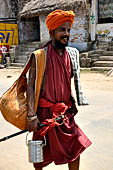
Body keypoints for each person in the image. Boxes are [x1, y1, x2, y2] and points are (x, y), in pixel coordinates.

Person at [27, 9, 92, 170]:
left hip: (64, 114)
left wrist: (72, 102)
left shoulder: (71, 55)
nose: (67, 33)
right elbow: (30, 86)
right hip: (44, 115)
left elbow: (65, 83)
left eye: (68, 30)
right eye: (62, 30)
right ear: (51, 32)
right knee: (39, 156)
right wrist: (31, 116)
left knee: (75, 148)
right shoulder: (39, 56)